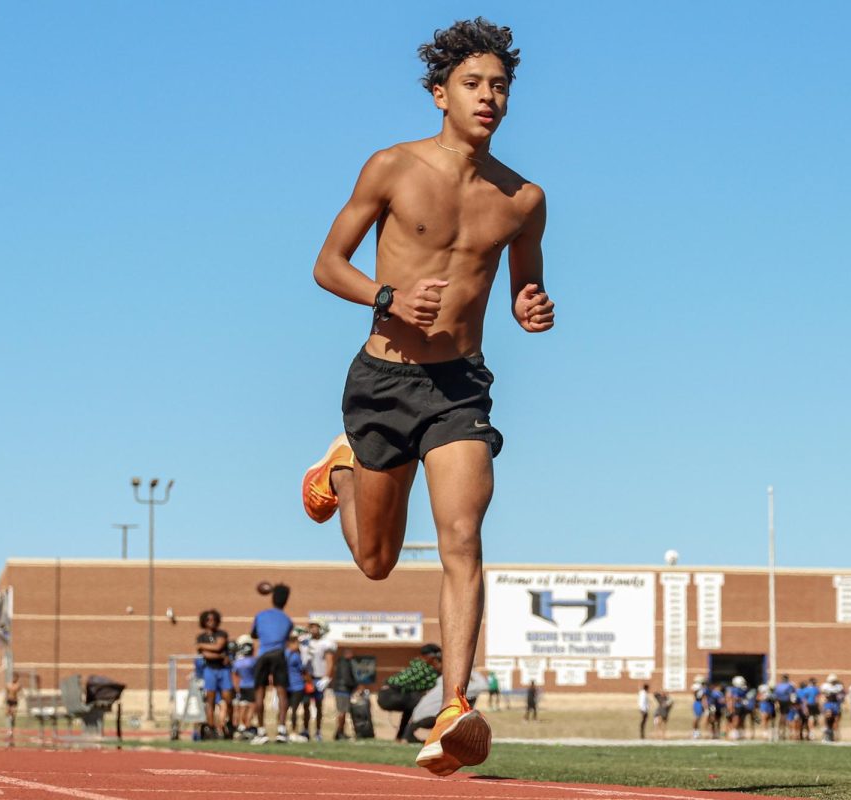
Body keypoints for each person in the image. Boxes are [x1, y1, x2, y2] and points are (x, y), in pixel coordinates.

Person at [300, 18, 553, 776]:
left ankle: (453, 707)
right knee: (374, 560)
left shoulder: (523, 197)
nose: (489, 97)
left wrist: (532, 307)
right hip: (383, 380)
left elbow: (525, 284)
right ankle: (341, 469)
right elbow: (325, 264)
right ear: (440, 93)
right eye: (474, 84)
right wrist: (386, 297)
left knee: (463, 538)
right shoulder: (392, 167)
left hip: (457, 389)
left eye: (500, 86)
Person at [249, 583, 294, 744]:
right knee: (282, 693)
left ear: (273, 598)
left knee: (260, 692)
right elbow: (286, 636)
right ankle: (281, 731)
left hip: (263, 655)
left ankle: (261, 732)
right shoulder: (288, 620)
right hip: (279, 655)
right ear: (286, 601)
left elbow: (253, 634)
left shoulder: (261, 615)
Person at [379, 644, 444, 743]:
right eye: (436, 658)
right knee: (418, 702)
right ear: (428, 657)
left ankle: (402, 736)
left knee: (412, 706)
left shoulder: (422, 666)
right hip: (389, 695)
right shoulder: (425, 668)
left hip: (389, 693)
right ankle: (407, 735)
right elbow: (396, 681)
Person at [196, 609, 233, 739]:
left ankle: (228, 724)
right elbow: (206, 655)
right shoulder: (201, 637)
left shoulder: (222, 633)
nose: (211, 622)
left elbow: (219, 646)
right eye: (208, 620)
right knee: (210, 700)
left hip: (223, 670)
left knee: (228, 698)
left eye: (213, 619)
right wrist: (218, 655)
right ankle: (211, 727)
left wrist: (205, 647)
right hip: (210, 670)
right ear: (204, 621)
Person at [299, 620, 338, 742]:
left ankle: (318, 731)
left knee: (319, 705)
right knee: (305, 705)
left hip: (319, 678)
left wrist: (327, 677)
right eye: (311, 626)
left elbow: (329, 661)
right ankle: (305, 730)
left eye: (315, 627)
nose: (313, 629)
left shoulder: (326, 643)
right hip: (306, 677)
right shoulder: (304, 641)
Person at [284, 633, 310, 742]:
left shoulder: (283, 654)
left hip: (287, 685)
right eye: (296, 643)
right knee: (293, 710)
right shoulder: (295, 655)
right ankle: (293, 732)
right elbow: (302, 670)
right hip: (296, 685)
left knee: (286, 709)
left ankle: (284, 731)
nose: (298, 646)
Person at [231, 635, 258, 739]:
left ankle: (241, 726)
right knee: (252, 706)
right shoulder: (253, 661)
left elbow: (235, 675)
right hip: (252, 686)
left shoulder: (238, 662)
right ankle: (247, 726)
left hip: (242, 686)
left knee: (242, 706)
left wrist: (236, 687)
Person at [773, 674, 795, 740]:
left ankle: (780, 731)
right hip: (786, 701)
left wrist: (776, 703)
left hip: (779, 702)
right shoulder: (789, 685)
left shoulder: (778, 685)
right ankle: (784, 732)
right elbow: (792, 695)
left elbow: (775, 695)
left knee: (780, 716)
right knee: (785, 716)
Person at [4, 672, 21, 741]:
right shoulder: (8, 685)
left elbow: (20, 693)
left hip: (14, 701)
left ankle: (11, 729)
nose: (14, 679)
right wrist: (4, 701)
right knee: (7, 713)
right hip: (9, 701)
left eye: (15, 677)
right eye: (13, 677)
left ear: (17, 678)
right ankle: (8, 728)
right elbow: (6, 693)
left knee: (13, 715)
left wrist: (19, 697)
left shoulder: (18, 685)